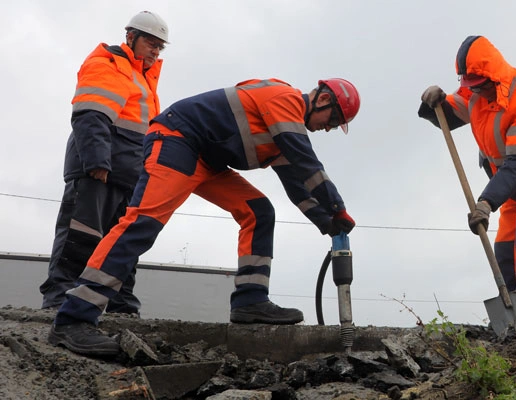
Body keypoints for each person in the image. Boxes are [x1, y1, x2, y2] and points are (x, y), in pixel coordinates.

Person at [47, 77, 361, 356]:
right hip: (176, 139)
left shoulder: (282, 131)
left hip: (206, 161)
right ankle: (74, 317)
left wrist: (327, 221)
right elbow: (307, 163)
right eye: (333, 119)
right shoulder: (285, 100)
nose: (328, 128)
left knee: (259, 211)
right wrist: (337, 206)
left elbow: (298, 185)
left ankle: (250, 301)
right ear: (322, 99)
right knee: (142, 223)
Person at [418, 35, 516, 320]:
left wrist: (486, 203)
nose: (477, 93)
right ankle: (510, 313)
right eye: (470, 87)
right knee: (504, 244)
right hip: (511, 177)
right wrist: (433, 103)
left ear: (493, 78)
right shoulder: (478, 92)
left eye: (480, 87)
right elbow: (449, 115)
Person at [39, 11, 170, 315]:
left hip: (130, 173)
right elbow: (91, 115)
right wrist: (97, 161)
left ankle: (118, 303)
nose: (155, 50)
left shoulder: (145, 79)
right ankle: (60, 298)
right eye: (150, 43)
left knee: (121, 242)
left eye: (160, 47)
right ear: (130, 37)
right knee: (81, 235)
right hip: (99, 169)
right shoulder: (108, 64)